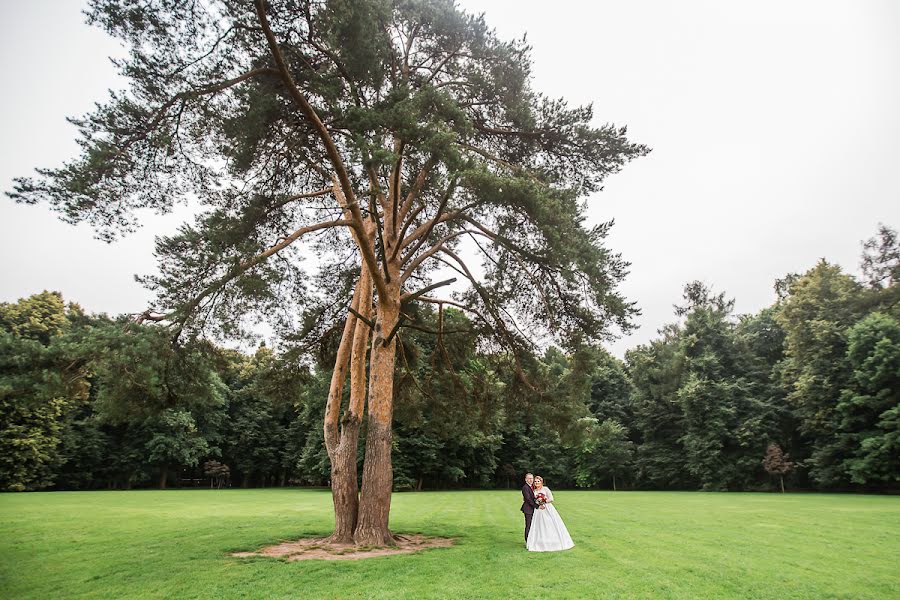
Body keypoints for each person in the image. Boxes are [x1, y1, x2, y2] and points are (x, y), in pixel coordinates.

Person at [526, 475, 575, 552]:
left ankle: (553, 541)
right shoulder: (534, 491)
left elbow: (551, 499)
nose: (536, 483)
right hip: (538, 510)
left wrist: (543, 501)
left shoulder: (545, 489)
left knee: (549, 523)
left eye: (538, 481)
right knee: (538, 525)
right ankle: (539, 542)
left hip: (547, 508)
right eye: (535, 481)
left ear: (541, 482)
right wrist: (538, 503)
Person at [520, 472, 537, 545]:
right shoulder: (525, 487)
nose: (530, 480)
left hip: (533, 509)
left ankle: (533, 540)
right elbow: (528, 499)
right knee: (528, 525)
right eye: (529, 478)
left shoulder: (533, 487)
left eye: (532, 478)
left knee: (533, 525)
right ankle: (528, 541)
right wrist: (536, 506)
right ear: (525, 479)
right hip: (528, 509)